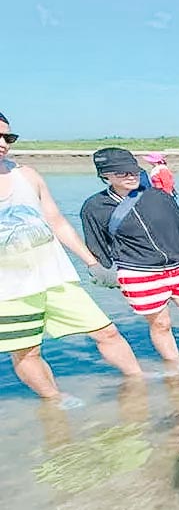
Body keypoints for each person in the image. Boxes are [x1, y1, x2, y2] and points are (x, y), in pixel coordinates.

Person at [0, 112, 142, 402]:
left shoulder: (26, 175)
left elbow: (56, 221)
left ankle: (141, 382)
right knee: (27, 351)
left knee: (106, 332)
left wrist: (92, 263)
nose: (4, 143)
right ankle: (55, 401)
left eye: (9, 137)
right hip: (8, 289)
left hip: (53, 277)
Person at [81, 147, 179, 366]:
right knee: (161, 324)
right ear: (105, 175)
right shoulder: (94, 207)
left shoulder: (159, 196)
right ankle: (176, 368)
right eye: (122, 173)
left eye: (133, 171)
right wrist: (101, 270)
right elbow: (95, 243)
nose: (131, 176)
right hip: (139, 274)